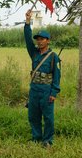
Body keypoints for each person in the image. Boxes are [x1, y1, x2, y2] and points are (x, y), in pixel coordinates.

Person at [24, 9, 61, 147]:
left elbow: (57, 76)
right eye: (38, 39)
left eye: (42, 39)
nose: (39, 42)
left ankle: (47, 140)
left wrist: (54, 92)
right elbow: (28, 40)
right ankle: (36, 137)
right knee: (33, 116)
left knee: (48, 117)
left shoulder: (53, 57)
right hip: (34, 90)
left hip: (46, 90)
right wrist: (28, 22)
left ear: (48, 41)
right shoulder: (34, 54)